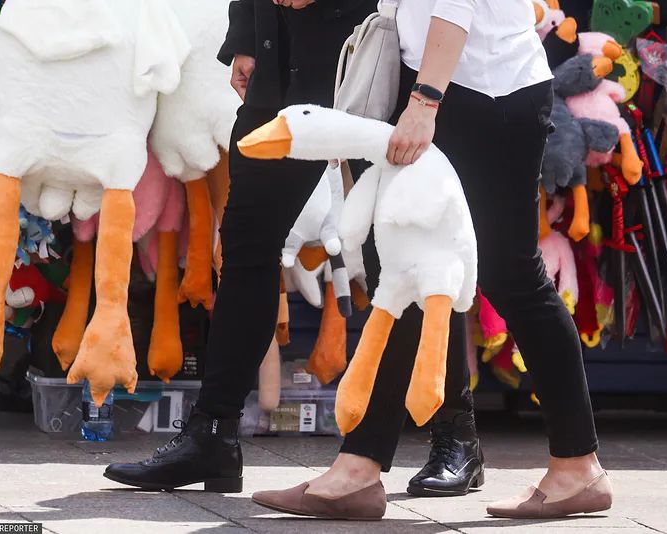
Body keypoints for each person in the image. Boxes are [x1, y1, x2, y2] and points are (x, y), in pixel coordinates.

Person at [103, 0, 484, 498]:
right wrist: (245, 33)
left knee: (406, 250)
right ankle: (212, 433)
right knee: (246, 245)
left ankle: (455, 432)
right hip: (280, 55)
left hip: (373, 52)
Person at [251, 0, 612, 520]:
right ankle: (358, 467)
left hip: (483, 90)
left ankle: (578, 465)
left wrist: (424, 101)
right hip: (453, 82)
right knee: (404, 277)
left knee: (511, 277)